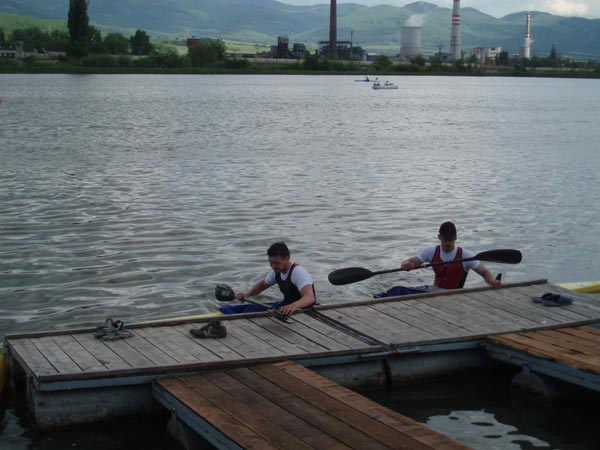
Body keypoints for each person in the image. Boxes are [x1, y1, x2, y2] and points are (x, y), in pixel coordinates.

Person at [400, 221, 502, 291]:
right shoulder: (430, 251)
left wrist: (492, 282)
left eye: (451, 240)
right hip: (434, 291)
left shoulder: (466, 255)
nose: (449, 243)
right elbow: (411, 261)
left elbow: (484, 272)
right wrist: (406, 264)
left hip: (454, 295)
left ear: (456, 238)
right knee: (397, 290)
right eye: (446, 240)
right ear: (439, 237)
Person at [235, 242, 316, 315]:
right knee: (248, 308)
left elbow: (309, 298)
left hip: (302, 311)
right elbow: (262, 285)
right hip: (285, 307)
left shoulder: (298, 272)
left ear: (287, 258)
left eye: (276, 263)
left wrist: (293, 306)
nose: (273, 266)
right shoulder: (277, 271)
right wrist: (247, 295)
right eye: (271, 262)